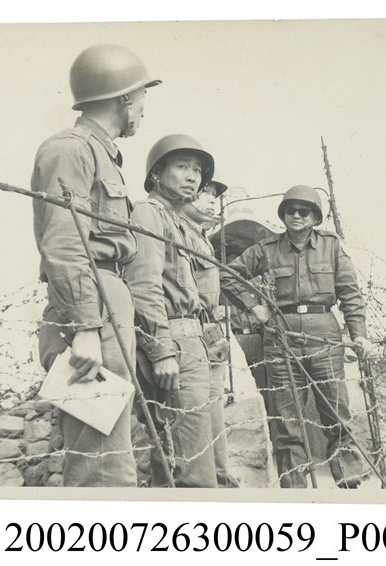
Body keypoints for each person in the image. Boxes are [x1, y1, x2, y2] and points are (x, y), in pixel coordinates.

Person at [31, 44, 160, 487]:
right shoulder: (71, 150)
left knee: (111, 453)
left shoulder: (101, 153)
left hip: (105, 301)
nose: (143, 108)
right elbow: (65, 243)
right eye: (141, 96)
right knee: (100, 465)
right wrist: (85, 326)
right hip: (91, 305)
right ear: (124, 98)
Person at [220, 185, 373, 488]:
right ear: (283, 215)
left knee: (336, 413)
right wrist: (254, 307)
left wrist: (359, 335)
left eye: (304, 211)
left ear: (315, 217)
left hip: (324, 335)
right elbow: (226, 274)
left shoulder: (331, 247)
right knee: (286, 421)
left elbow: (350, 294)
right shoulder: (267, 249)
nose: (296, 216)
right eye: (290, 210)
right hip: (281, 337)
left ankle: (350, 485)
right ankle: (294, 491)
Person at [123, 134, 217, 487]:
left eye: (197, 170)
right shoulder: (149, 213)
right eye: (182, 166)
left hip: (193, 344)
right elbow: (143, 285)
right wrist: (161, 350)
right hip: (173, 343)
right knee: (192, 470)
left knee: (183, 459)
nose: (192, 176)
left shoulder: (179, 222)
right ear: (156, 174)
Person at [180, 179, 240, 487]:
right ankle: (204, 484)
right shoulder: (175, 230)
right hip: (187, 328)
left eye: (215, 197)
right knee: (196, 412)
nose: (212, 201)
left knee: (214, 406)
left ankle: (220, 478)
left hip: (208, 329)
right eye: (205, 194)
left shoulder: (201, 237)